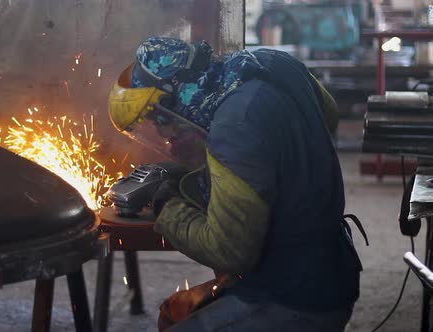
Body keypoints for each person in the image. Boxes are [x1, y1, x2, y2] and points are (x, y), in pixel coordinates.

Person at [108, 37, 364, 332]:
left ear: (174, 97)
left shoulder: (232, 130)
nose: (164, 134)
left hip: (294, 299)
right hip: (332, 269)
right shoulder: (273, 64)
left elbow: (228, 252)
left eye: (159, 120)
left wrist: (167, 206)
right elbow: (327, 115)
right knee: (172, 312)